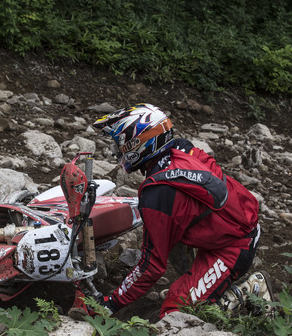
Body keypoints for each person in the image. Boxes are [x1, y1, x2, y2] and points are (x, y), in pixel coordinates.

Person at [87, 103, 274, 319]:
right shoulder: (182, 148)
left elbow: (151, 266)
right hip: (231, 225)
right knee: (170, 233)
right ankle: (195, 284)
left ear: (138, 142)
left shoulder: (157, 193)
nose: (117, 150)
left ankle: (251, 288)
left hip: (234, 245)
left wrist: (112, 302)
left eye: (121, 143)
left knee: (176, 313)